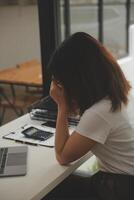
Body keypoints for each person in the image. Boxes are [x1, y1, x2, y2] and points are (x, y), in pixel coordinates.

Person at [43, 32, 134, 200]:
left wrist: (61, 106)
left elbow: (63, 156)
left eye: (62, 82)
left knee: (50, 191)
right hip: (126, 181)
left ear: (77, 79)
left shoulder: (99, 112)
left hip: (121, 188)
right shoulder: (116, 93)